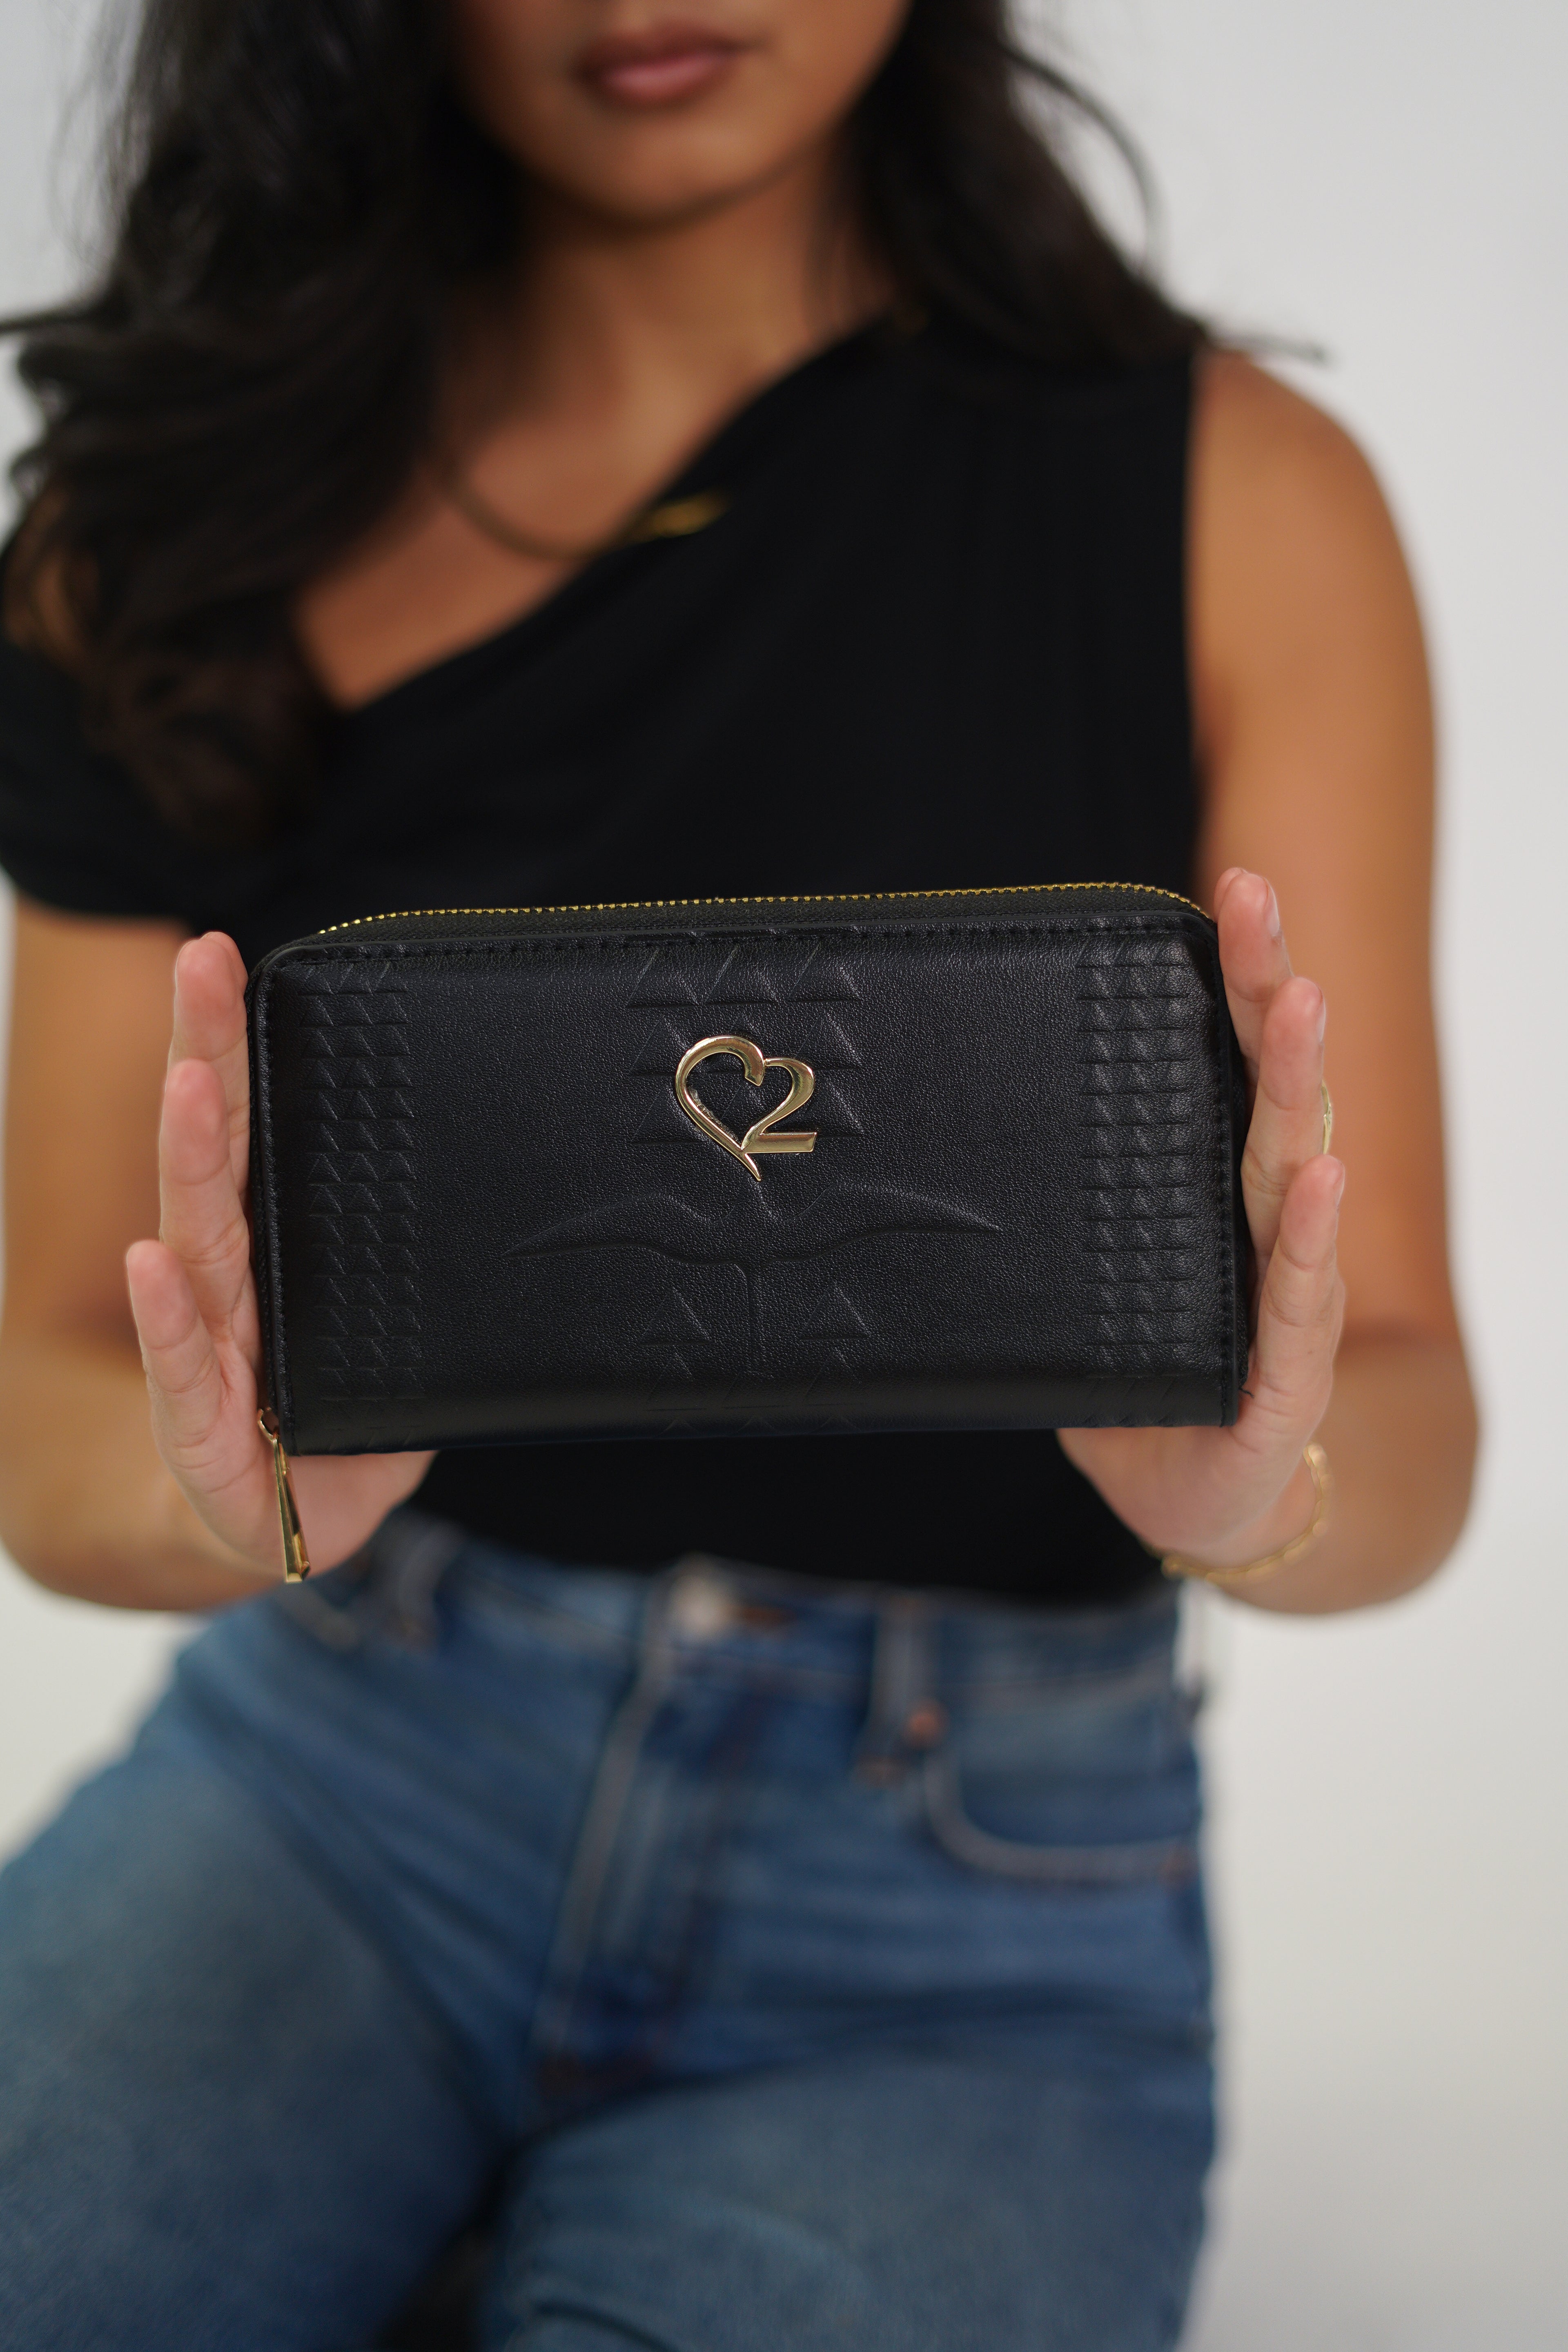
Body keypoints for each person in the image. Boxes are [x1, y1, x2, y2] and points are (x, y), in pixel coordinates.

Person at [0, 2, 1476, 2346]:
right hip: (340, 1778)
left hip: (966, 1892)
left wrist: (1256, 1497)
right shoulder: (165, 531)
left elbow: (1403, 1402)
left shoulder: (1240, 498)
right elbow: (50, 1402)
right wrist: (238, 1491)